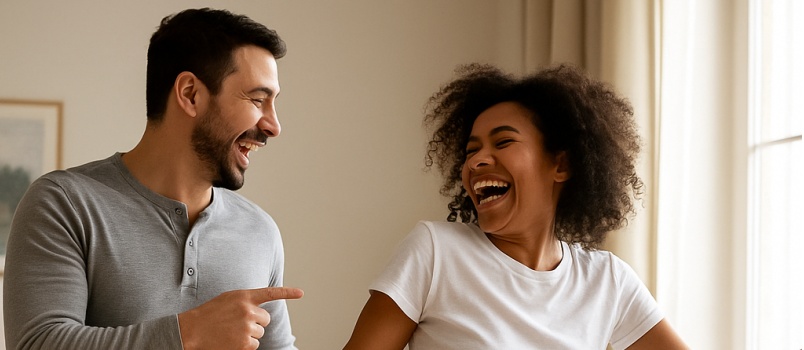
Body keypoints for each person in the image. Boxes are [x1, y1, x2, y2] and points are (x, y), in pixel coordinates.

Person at [4, 8, 303, 350]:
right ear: (190, 94)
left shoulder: (260, 232)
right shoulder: (63, 203)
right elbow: (38, 344)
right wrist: (188, 332)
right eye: (257, 99)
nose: (273, 126)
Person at [344, 64, 688, 349]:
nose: (477, 160)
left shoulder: (607, 281)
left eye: (504, 141)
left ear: (562, 165)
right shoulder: (435, 252)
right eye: (470, 151)